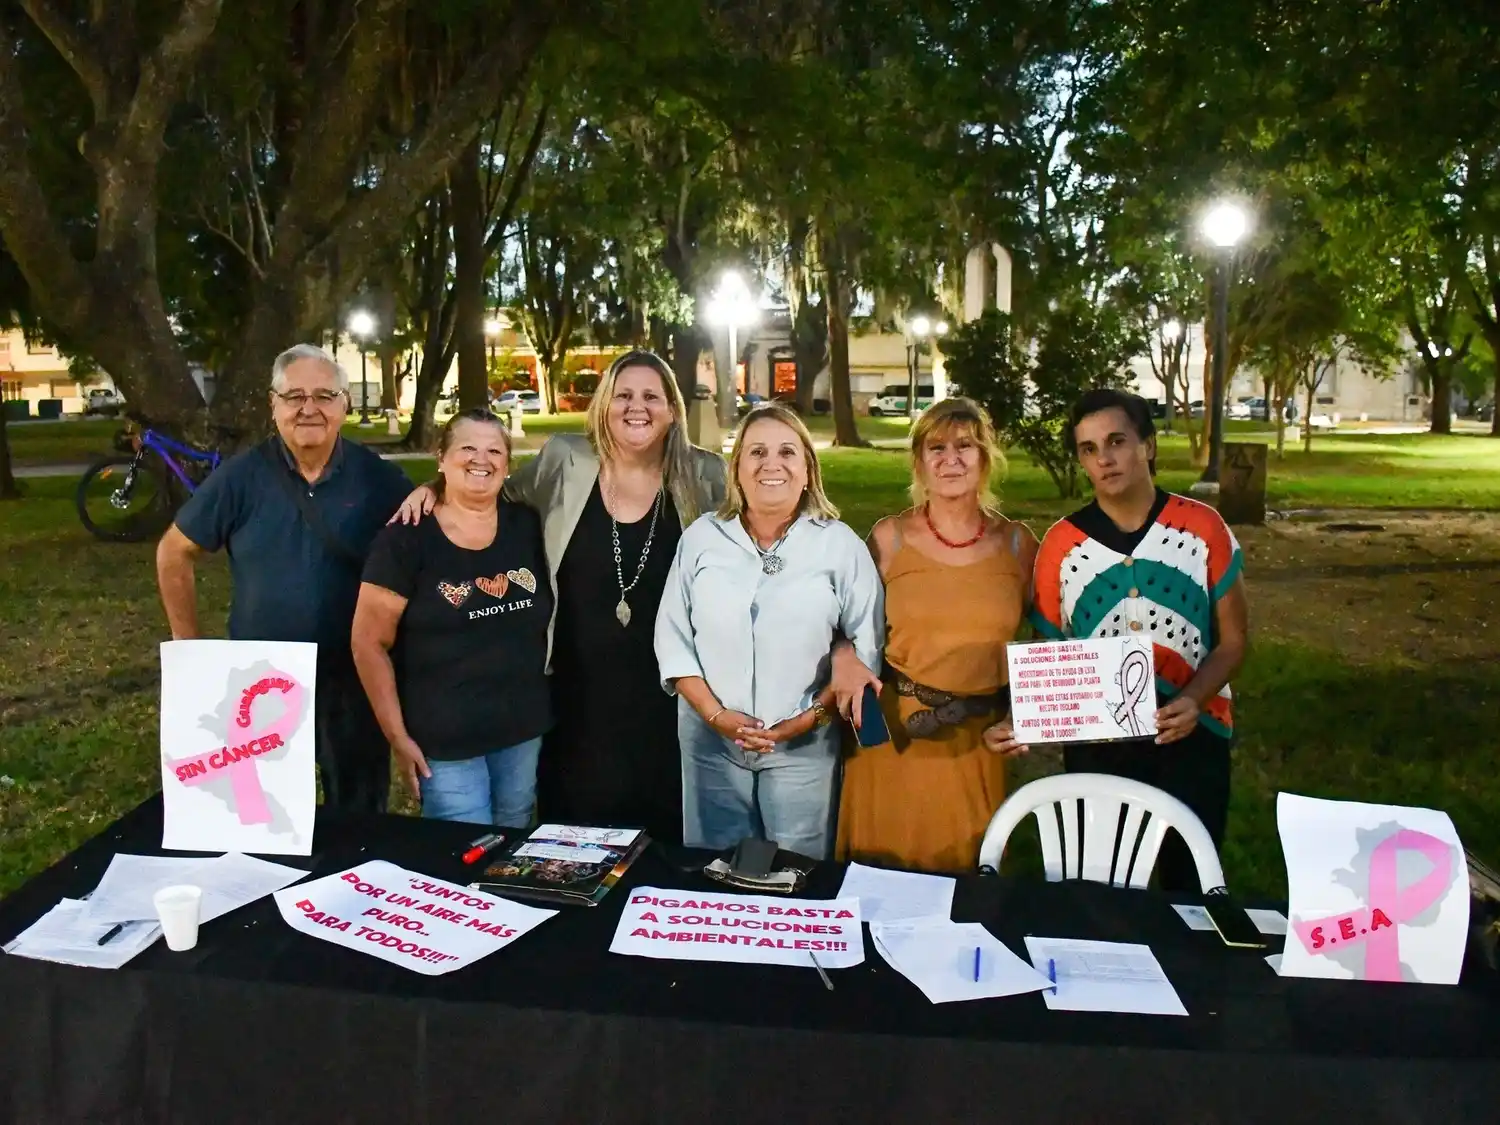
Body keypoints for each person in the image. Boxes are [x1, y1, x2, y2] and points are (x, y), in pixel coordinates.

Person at [394, 351, 725, 841]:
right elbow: (496, 493)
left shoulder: (705, 475)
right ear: (604, 405)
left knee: (666, 837)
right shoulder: (568, 460)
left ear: (672, 409)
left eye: (651, 396)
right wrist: (435, 487)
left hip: (668, 695)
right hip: (575, 695)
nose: (636, 407)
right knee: (571, 841)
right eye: (623, 395)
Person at [1005, 388, 1249, 892]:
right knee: (1101, 886)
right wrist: (1025, 716)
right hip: (1099, 743)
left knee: (1190, 886)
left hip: (1194, 733)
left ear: (1148, 446)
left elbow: (1233, 641)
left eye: (1117, 441)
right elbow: (1048, 652)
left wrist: (1193, 699)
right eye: (1089, 449)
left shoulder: (1202, 528)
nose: (1104, 458)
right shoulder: (1061, 546)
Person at [156, 344, 415, 812]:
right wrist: (189, 647)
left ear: (345, 405)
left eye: (324, 395)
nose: (308, 408)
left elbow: (427, 552)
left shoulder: (382, 481)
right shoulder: (240, 477)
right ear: (273, 404)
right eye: (294, 396)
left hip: (352, 677)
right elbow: (175, 550)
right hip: (262, 682)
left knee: (359, 814)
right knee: (265, 816)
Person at [655, 403, 883, 860]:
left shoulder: (839, 545)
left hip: (805, 742)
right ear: (736, 469)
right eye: (757, 452)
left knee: (796, 872)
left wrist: (809, 719)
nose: (771, 464)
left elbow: (866, 646)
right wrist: (716, 715)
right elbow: (673, 638)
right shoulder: (702, 538)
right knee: (714, 870)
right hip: (710, 742)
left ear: (808, 470)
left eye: (787, 452)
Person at [832, 398, 1038, 872]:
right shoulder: (889, 539)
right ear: (919, 462)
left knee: (966, 883)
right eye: (936, 447)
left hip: (978, 742)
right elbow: (842, 625)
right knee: (880, 878)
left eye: (965, 446)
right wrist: (843, 656)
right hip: (892, 738)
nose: (951, 459)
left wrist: (1025, 715)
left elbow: (1049, 645)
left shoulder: (1018, 545)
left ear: (985, 457)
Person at [351, 409, 552, 825]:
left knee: (514, 835)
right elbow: (368, 643)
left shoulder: (528, 525)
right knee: (463, 847)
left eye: (494, 451)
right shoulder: (407, 537)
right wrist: (396, 736)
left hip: (521, 730)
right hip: (445, 742)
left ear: (507, 465)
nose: (481, 459)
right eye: (467, 448)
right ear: (441, 458)